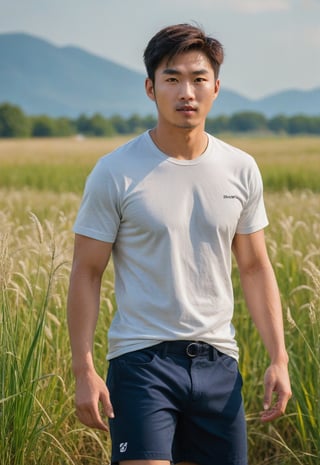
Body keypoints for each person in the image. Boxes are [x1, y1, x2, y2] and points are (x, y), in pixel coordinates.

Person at [67, 23, 292, 465]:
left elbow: (254, 266)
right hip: (141, 363)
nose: (186, 91)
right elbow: (86, 271)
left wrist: (278, 358)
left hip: (218, 365)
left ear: (216, 88)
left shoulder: (241, 169)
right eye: (172, 79)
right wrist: (84, 369)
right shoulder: (115, 172)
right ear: (151, 88)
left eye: (198, 79)